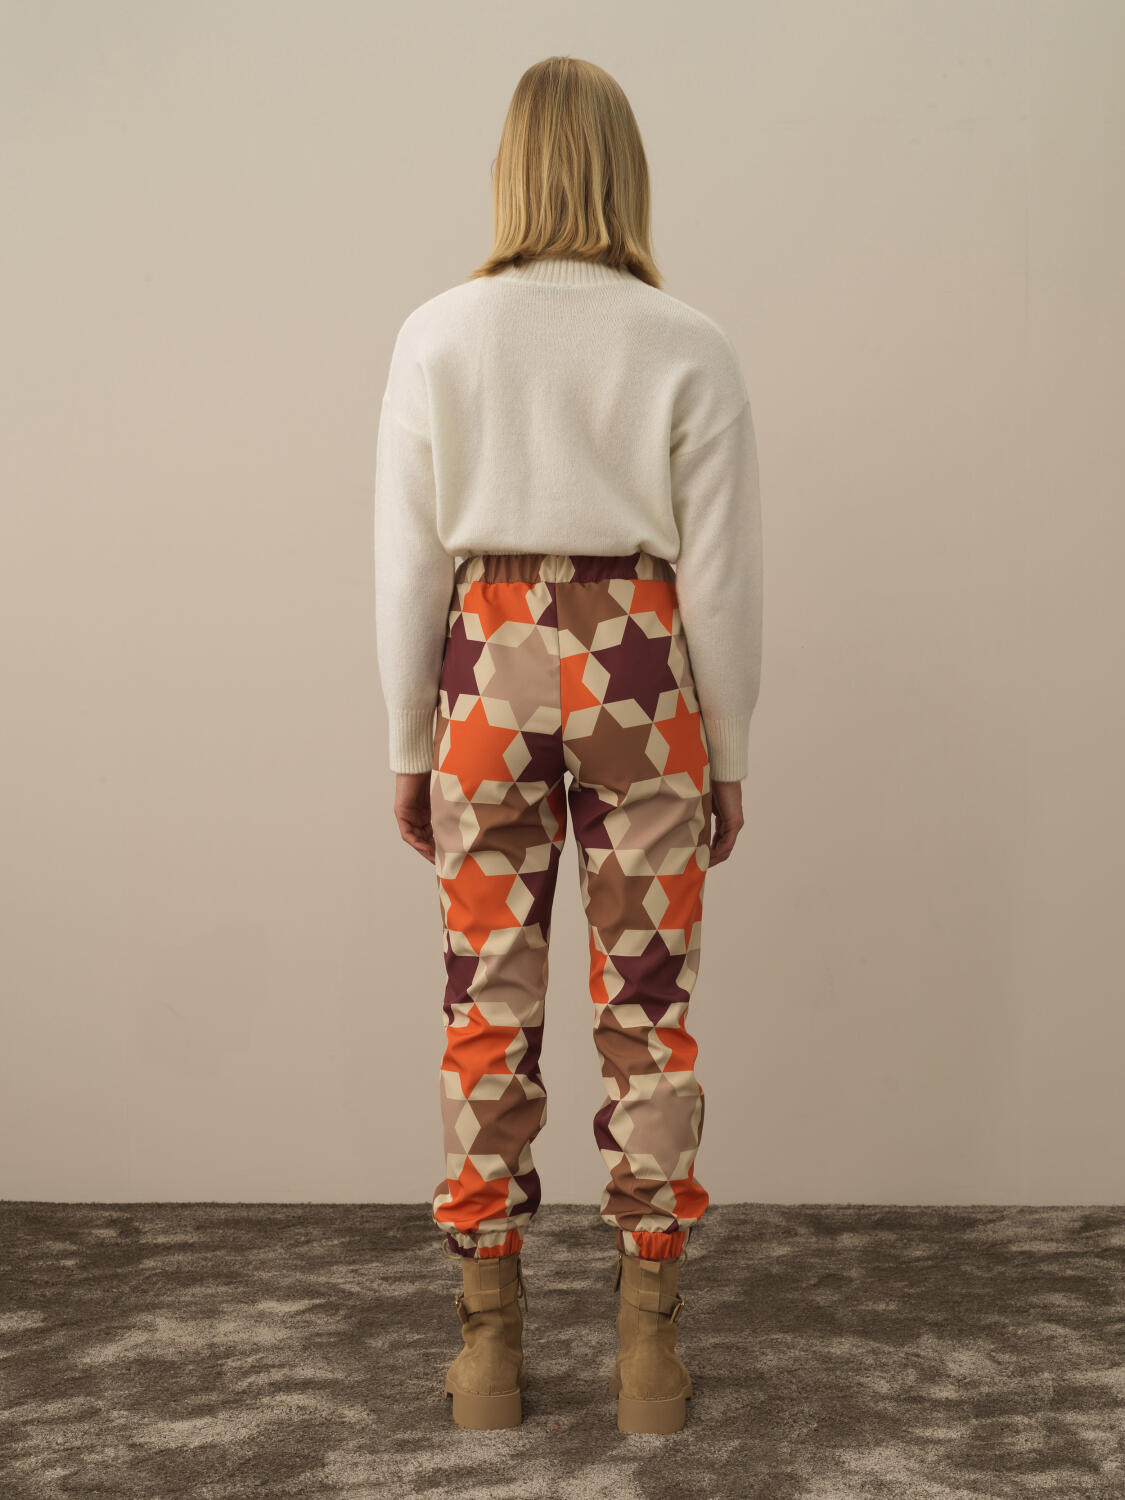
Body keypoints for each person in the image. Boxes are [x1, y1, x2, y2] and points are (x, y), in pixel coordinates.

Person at [373, 55, 763, 1435]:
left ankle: (486, 1353)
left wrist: (407, 740)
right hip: (639, 660)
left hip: (485, 661)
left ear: (511, 171)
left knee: (487, 1000)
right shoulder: (687, 341)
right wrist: (726, 752)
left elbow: (407, 564)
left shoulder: (438, 334)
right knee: (647, 1006)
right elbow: (721, 576)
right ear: (625, 173)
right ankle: (647, 1354)